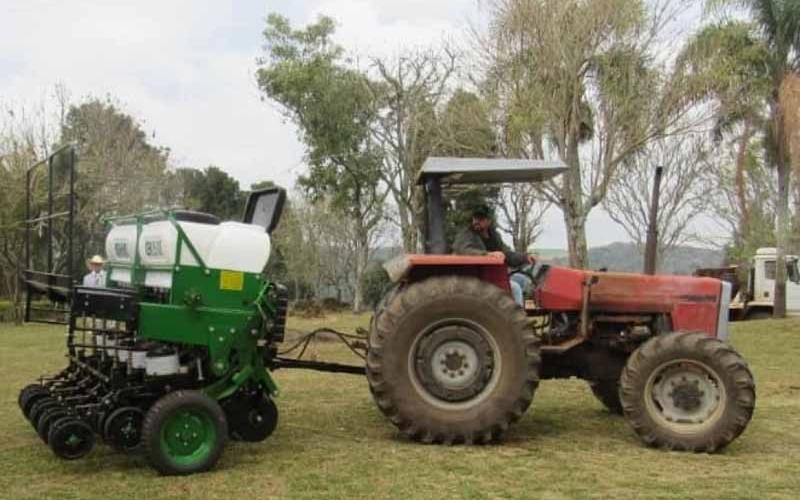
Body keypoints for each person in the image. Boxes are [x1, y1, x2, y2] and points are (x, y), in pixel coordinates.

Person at [452, 204, 535, 306]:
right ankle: (517, 321)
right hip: (476, 277)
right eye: (475, 218)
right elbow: (464, 250)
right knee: (515, 288)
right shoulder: (466, 234)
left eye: (481, 218)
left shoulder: (494, 236)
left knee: (523, 280)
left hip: (492, 275)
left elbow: (506, 254)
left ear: (489, 221)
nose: (476, 221)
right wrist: (487, 255)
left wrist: (524, 257)